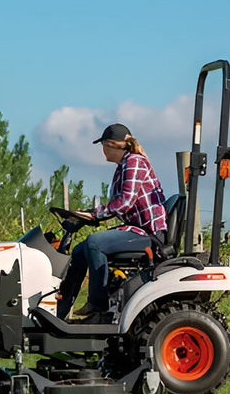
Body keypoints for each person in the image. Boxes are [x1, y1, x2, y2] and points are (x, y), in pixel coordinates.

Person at [57, 123, 167, 322]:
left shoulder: (134, 162)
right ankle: (60, 313)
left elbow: (125, 202)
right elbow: (119, 205)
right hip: (134, 229)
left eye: (103, 145)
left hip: (148, 233)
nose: (102, 150)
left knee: (94, 243)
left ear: (111, 145)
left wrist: (95, 215)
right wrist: (89, 214)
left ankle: (97, 305)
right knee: (79, 250)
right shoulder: (123, 165)